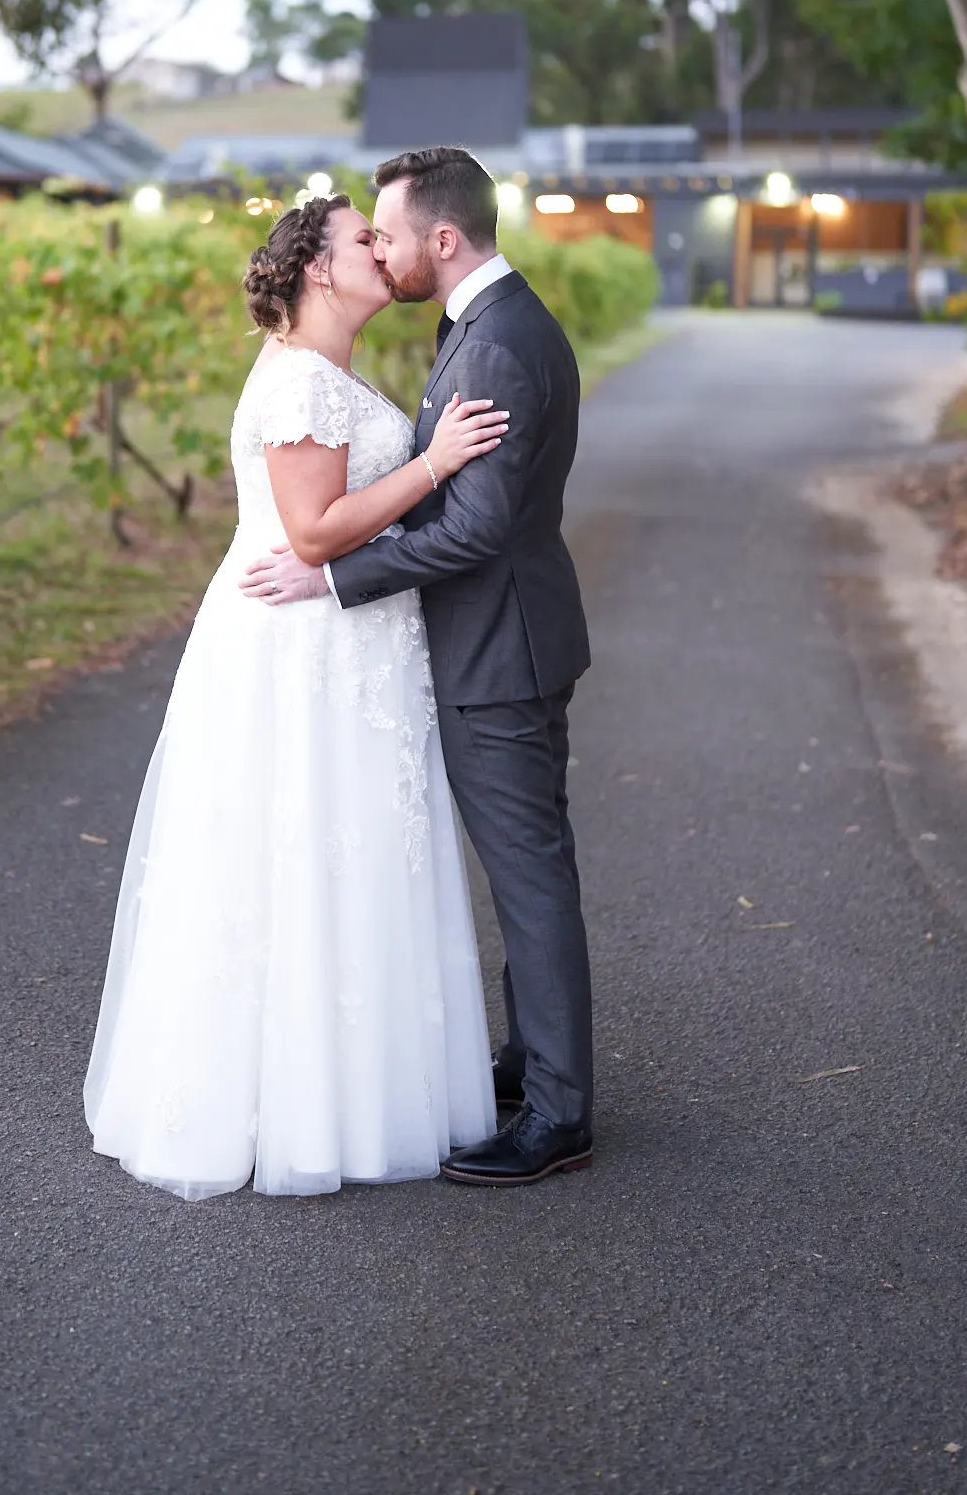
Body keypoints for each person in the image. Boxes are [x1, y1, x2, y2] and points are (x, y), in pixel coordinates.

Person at [84, 192, 506, 1199]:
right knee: (306, 850)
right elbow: (313, 532)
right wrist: (437, 462)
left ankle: (355, 1093)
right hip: (307, 646)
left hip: (345, 642)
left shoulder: (327, 372)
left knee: (346, 853)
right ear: (320, 266)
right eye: (364, 237)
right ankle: (305, 1103)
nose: (380, 250)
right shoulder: (303, 385)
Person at [241, 146, 594, 1187]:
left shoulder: (491, 346)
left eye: (386, 234)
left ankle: (559, 1111)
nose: (381, 252)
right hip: (505, 640)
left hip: (499, 649)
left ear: (443, 240)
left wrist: (338, 576)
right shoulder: (486, 325)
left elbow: (476, 525)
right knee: (530, 868)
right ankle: (532, 1063)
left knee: (529, 876)